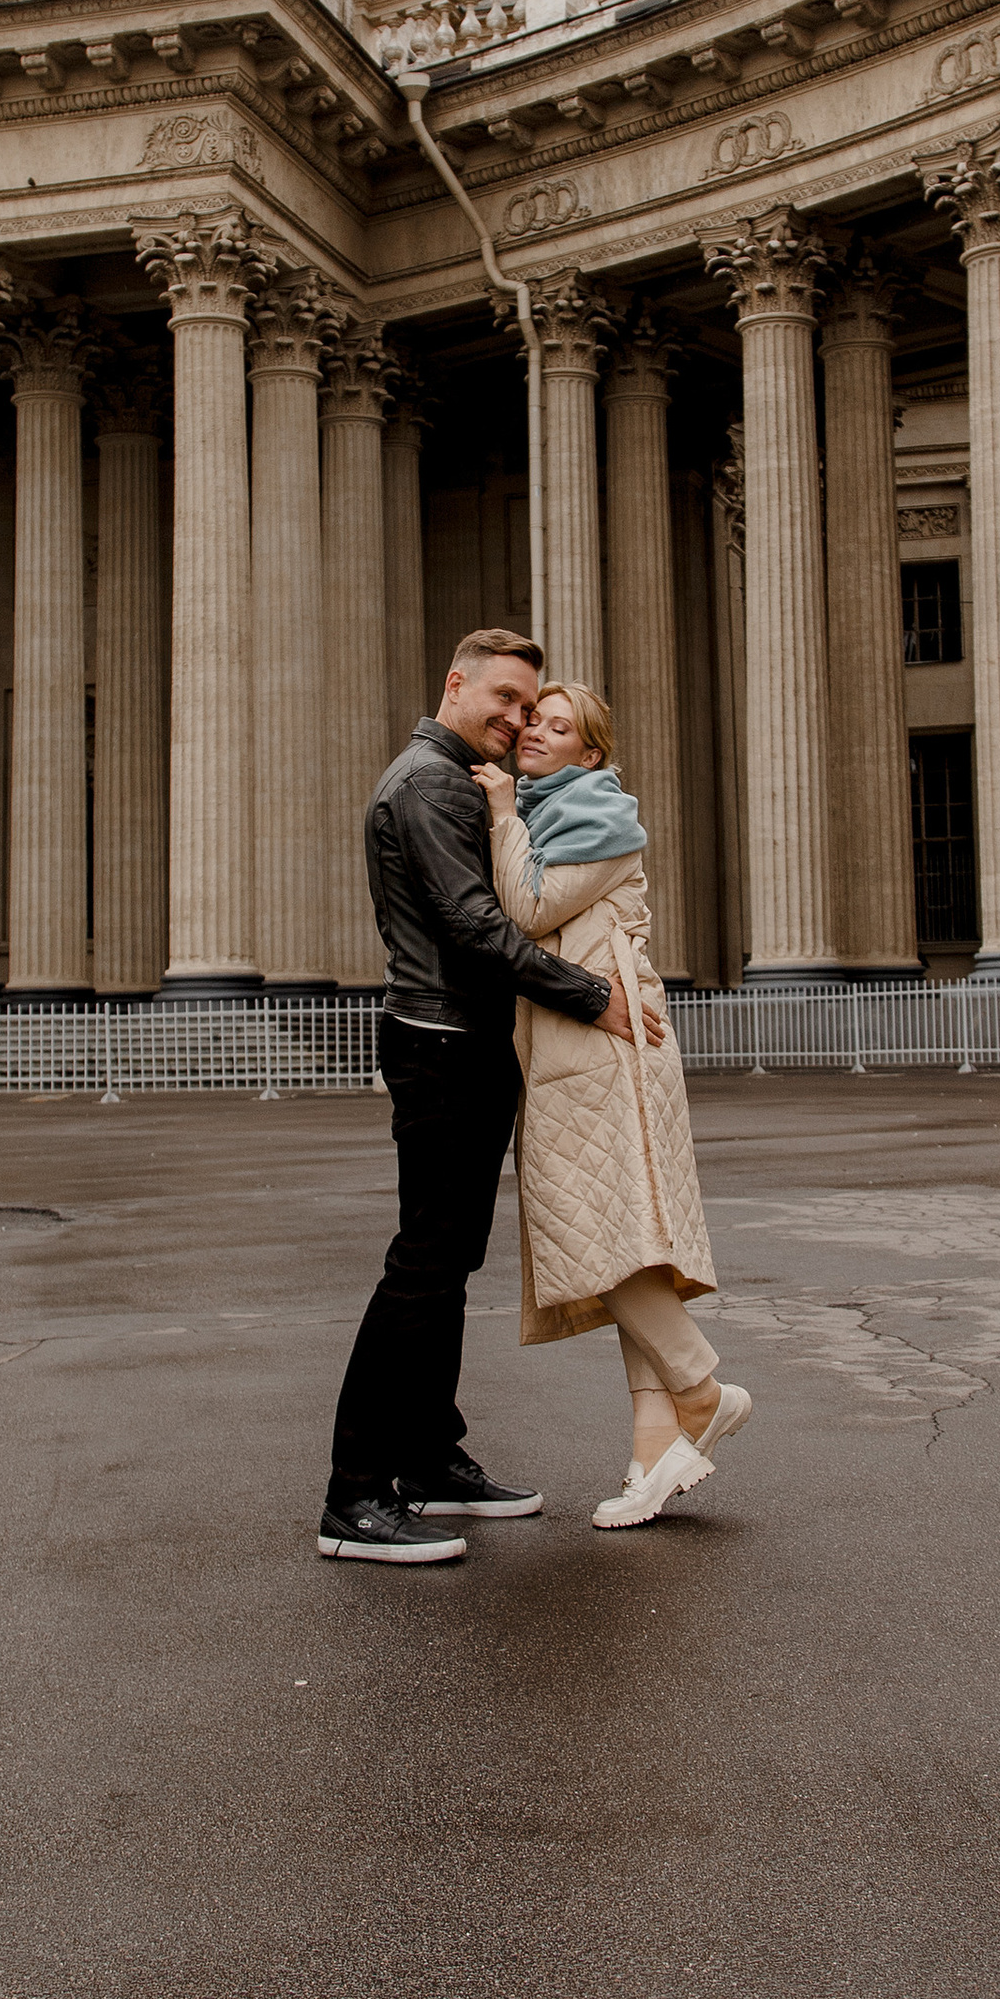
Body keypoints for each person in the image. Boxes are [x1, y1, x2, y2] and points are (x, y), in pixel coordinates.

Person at [321, 627, 666, 1567]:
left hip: (457, 1040)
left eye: (529, 706)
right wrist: (594, 996)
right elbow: (476, 927)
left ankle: (428, 1459)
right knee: (424, 1267)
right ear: (455, 685)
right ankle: (354, 1497)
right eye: (504, 699)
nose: (516, 719)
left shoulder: (450, 778)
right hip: (441, 1042)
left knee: (446, 1263)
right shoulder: (432, 782)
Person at [478, 681, 752, 1528]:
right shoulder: (560, 812)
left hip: (605, 1052)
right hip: (584, 1048)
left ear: (589, 753)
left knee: (601, 1233)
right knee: (624, 1232)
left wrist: (499, 816)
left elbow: (526, 910)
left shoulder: (594, 817)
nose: (536, 735)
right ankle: (651, 1455)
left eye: (559, 728)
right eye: (534, 722)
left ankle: (703, 1390)